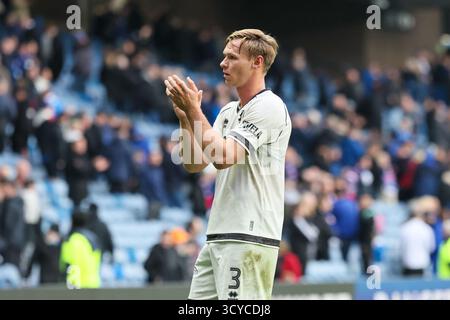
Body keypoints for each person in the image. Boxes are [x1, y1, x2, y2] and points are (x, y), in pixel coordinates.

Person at [165, 29, 291, 300]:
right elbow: (194, 163)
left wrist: (196, 111)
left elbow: (223, 158)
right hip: (218, 236)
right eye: (224, 57)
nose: (223, 63)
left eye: (232, 57)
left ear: (257, 62)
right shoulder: (227, 111)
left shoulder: (269, 106)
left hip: (249, 236)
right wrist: (187, 118)